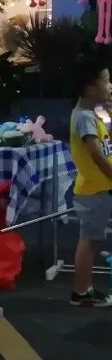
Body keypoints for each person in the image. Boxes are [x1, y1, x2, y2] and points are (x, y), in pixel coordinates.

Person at [68, 61, 112, 307]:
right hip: (94, 190)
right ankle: (81, 292)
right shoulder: (84, 118)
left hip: (98, 188)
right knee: (89, 240)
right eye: (105, 80)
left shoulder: (91, 115)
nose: (109, 86)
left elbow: (106, 145)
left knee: (91, 239)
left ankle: (84, 289)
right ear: (89, 87)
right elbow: (96, 154)